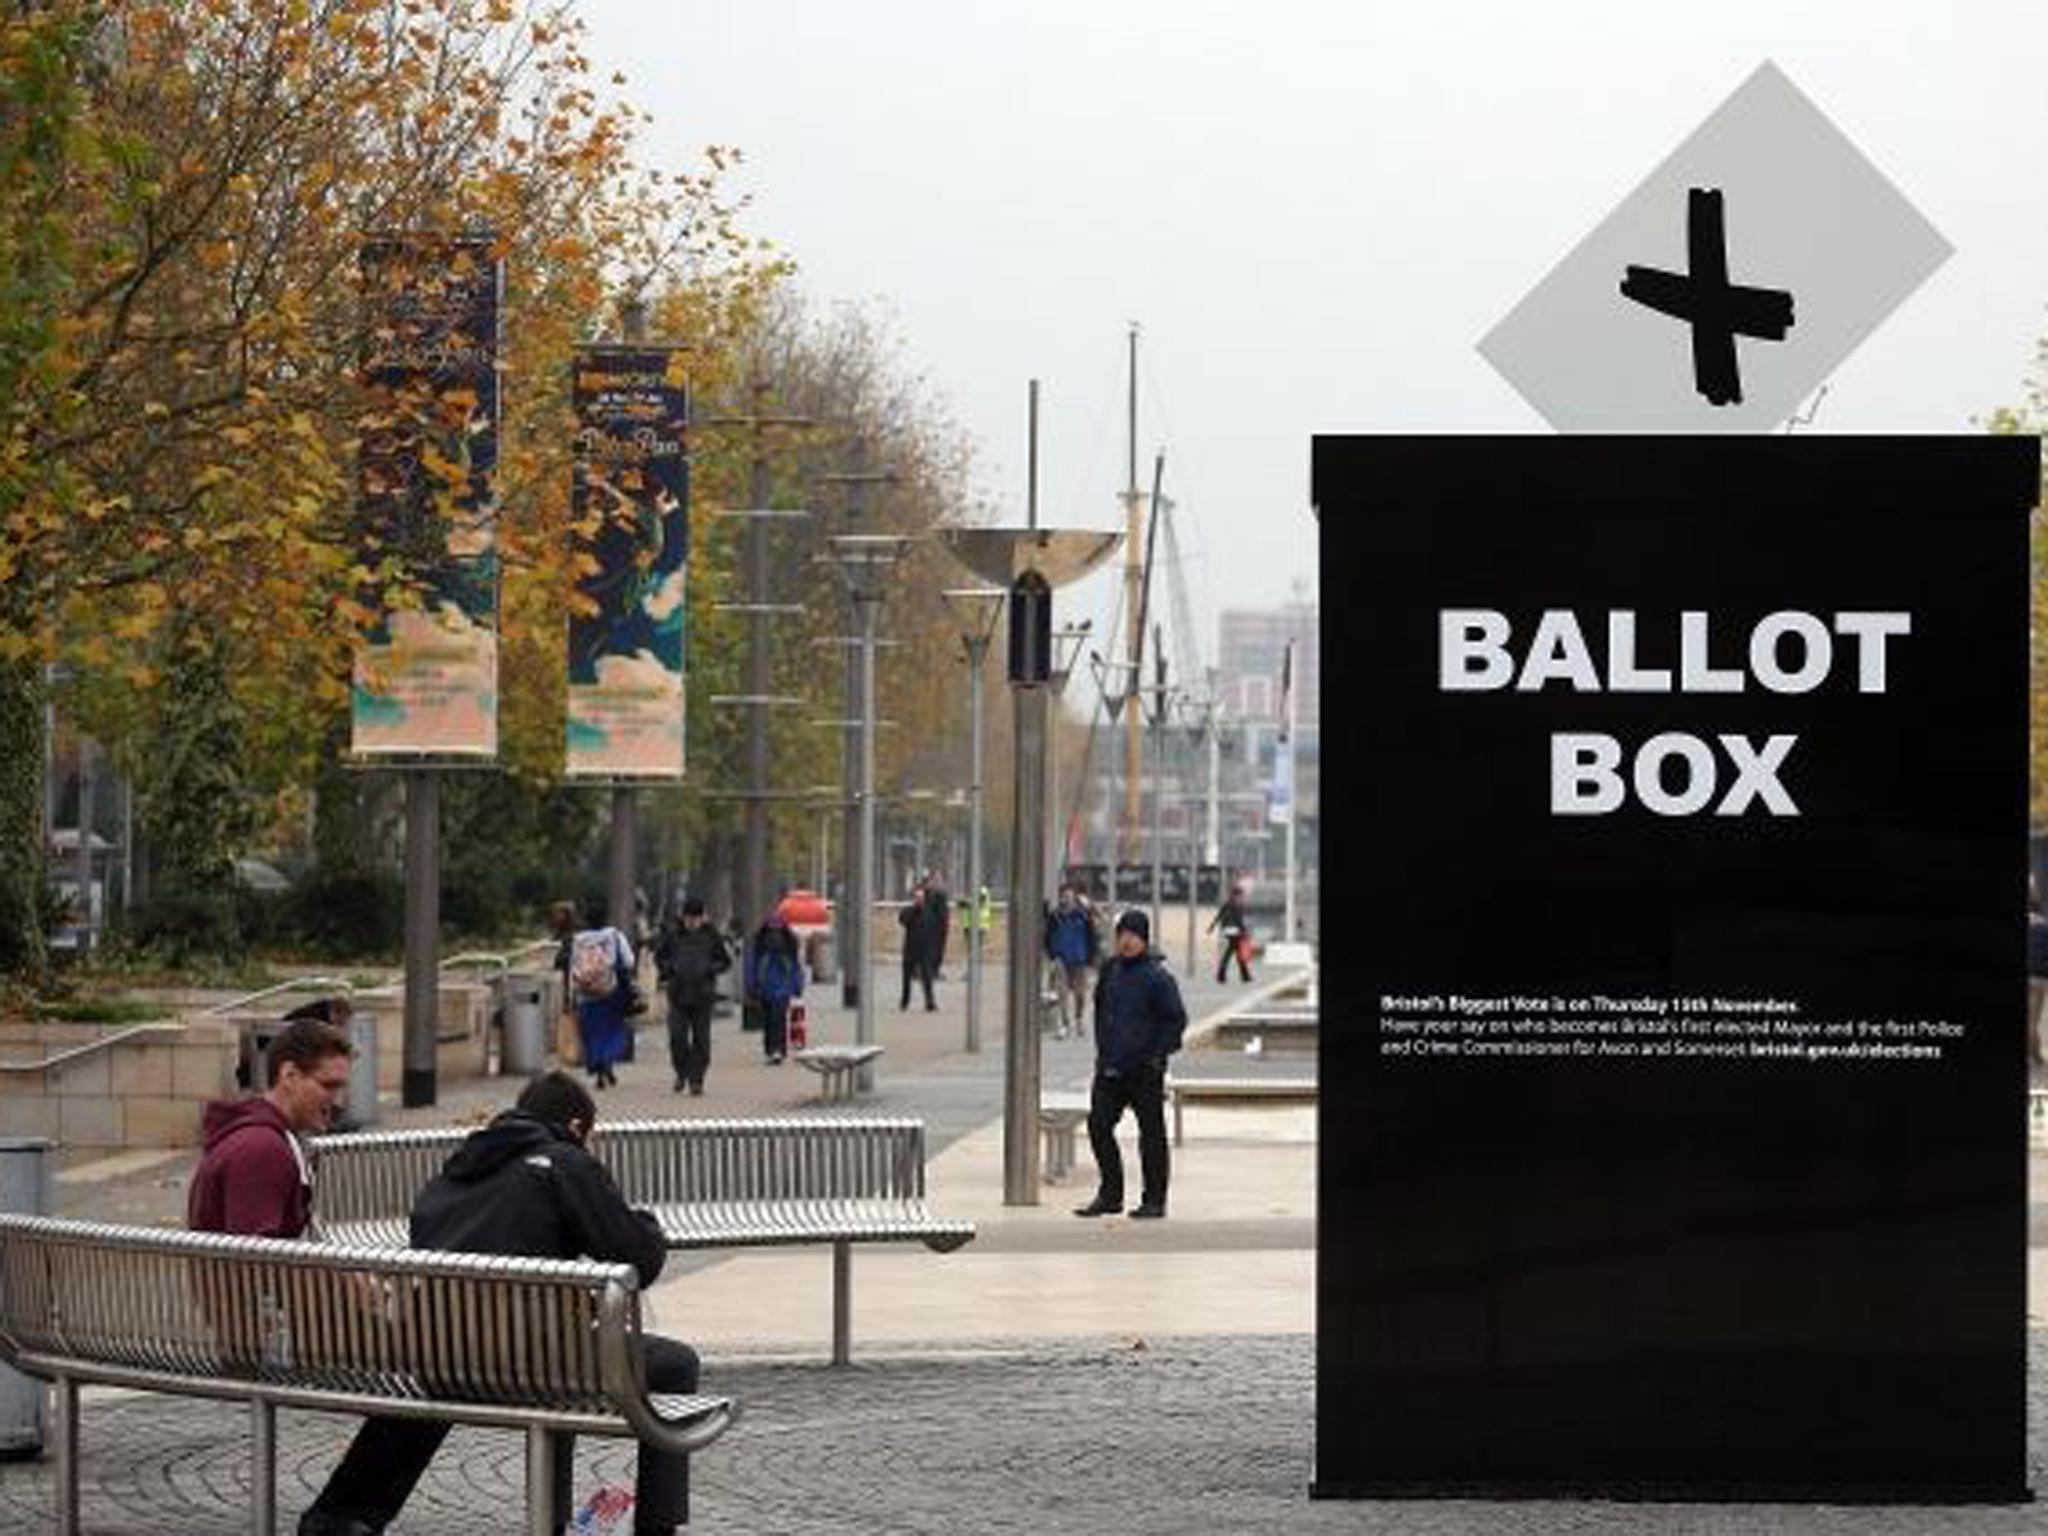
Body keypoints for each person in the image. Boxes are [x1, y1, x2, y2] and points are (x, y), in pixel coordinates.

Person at [297, 1072, 703, 1536]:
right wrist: (644, 1221)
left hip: (439, 1360)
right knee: (674, 1364)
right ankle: (656, 1528)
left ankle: (342, 1513)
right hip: (529, 1364)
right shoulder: (564, 1162)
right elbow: (639, 1258)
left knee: (471, 1353)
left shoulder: (457, 1169)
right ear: (575, 1126)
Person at [189, 1014, 353, 1238]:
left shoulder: (265, 1136)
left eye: (341, 1087)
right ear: (289, 1075)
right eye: (328, 1086)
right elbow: (257, 1264)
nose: (338, 1101)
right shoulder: (263, 1150)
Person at [1075, 909, 1187, 1221]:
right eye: (1122, 934)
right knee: (1098, 1126)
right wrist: (1103, 1052)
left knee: (1151, 1134)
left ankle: (1154, 1200)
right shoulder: (1110, 970)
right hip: (1110, 1066)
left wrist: (1156, 1055)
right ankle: (1110, 1195)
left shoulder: (1158, 977)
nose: (1126, 941)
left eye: (1133, 935)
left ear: (1144, 939)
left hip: (1143, 1069)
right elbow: (1101, 1011)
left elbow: (1175, 1020)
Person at [654, 895, 730, 1095]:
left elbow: (725, 961)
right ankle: (681, 1072)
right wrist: (669, 970)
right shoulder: (673, 934)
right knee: (677, 1038)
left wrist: (710, 969)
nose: (692, 923)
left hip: (702, 995)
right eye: (689, 919)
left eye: (696, 919)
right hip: (678, 994)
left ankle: (697, 1080)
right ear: (683, 917)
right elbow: (659, 957)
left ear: (702, 917)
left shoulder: (711, 935)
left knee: (701, 1041)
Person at [569, 904, 637, 1089]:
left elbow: (573, 968)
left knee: (592, 1033)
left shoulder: (578, 940)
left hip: (586, 993)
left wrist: (572, 995)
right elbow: (629, 960)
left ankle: (598, 1068)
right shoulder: (613, 935)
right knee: (610, 1031)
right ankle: (607, 1065)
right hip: (610, 992)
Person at [747, 912, 805, 1064]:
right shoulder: (763, 951)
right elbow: (753, 968)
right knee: (770, 1021)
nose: (775, 935)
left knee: (777, 1019)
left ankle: (777, 1050)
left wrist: (797, 985)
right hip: (768, 989)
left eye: (777, 930)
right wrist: (752, 985)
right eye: (772, 931)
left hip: (778, 990)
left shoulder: (784, 951)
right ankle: (773, 1049)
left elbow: (794, 969)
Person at [1043, 886, 1099, 1040]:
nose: (1065, 899)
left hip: (1079, 958)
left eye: (1069, 896)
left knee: (1080, 993)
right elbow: (1047, 936)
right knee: (1062, 992)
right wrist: (1052, 955)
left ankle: (1079, 1018)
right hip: (1061, 957)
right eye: (1063, 896)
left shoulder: (1083, 916)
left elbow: (1092, 937)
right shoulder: (1055, 916)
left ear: (1074, 899)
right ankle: (1064, 1023)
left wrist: (1092, 958)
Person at [898, 880, 938, 1011]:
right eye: (916, 898)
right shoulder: (909, 911)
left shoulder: (930, 912)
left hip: (925, 950)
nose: (919, 900)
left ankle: (929, 1001)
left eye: (921, 898)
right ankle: (905, 1001)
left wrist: (934, 949)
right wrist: (915, 909)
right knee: (906, 977)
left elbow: (935, 929)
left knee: (926, 977)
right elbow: (903, 920)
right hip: (910, 949)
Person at [1209, 882, 1253, 984]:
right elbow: (1238, 920)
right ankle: (1242, 976)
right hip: (1235, 932)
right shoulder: (1237, 905)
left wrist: (1211, 927)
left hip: (1227, 931)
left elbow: (1219, 916)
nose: (1242, 897)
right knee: (1233, 954)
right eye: (1241, 895)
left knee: (1233, 954)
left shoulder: (1227, 903)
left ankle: (1240, 976)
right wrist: (1244, 931)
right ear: (1237, 895)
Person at [922, 872, 952, 980]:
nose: (940, 882)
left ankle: (932, 970)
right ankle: (930, 971)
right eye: (936, 879)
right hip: (935, 927)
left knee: (936, 950)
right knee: (932, 950)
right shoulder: (933, 894)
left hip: (939, 927)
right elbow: (938, 912)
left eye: (940, 879)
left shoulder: (937, 894)